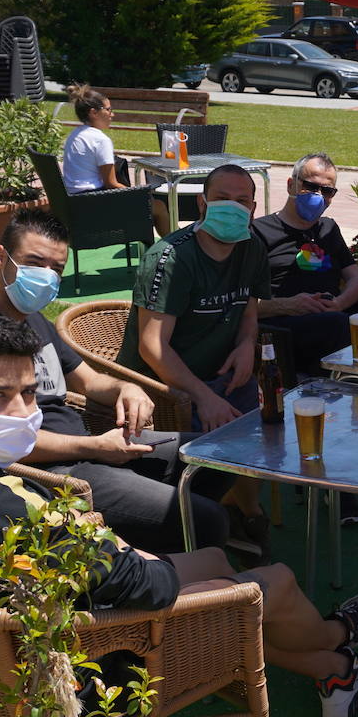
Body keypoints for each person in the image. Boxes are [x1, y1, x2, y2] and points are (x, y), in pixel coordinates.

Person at [0, 309, 358, 717]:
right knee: (270, 582)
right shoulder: (8, 509)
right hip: (89, 680)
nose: (21, 411)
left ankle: (333, 668)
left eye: (26, 392)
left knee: (214, 558)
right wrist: (114, 545)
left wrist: (102, 542)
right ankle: (337, 643)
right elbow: (149, 588)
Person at [0, 207, 235, 554]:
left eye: (56, 269)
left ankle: (154, 547)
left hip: (90, 449)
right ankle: (162, 564)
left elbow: (89, 380)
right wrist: (96, 448)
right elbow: (2, 441)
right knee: (209, 520)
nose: (46, 277)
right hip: (52, 473)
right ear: (0, 257)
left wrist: (126, 388)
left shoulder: (32, 318)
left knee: (220, 457)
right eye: (34, 262)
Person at [116, 164, 271, 552]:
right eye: (222, 199)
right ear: (202, 202)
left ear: (253, 208)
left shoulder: (252, 246)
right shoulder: (170, 257)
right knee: (222, 436)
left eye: (242, 201)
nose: (233, 208)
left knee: (258, 429)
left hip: (225, 372)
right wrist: (204, 396)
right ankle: (206, 522)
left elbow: (249, 308)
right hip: (168, 387)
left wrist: (245, 345)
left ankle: (244, 513)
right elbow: (153, 347)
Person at [253, 152, 358, 375]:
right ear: (291, 185)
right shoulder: (260, 232)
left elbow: (357, 280)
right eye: (311, 187)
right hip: (283, 325)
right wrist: (288, 305)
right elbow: (244, 301)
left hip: (331, 316)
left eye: (327, 191)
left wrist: (339, 303)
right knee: (337, 325)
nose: (319, 195)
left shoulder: (328, 229)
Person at [61, 84, 126, 194]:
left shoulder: (74, 134)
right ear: (94, 113)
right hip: (92, 199)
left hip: (71, 197)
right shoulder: (101, 140)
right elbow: (110, 184)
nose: (112, 114)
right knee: (158, 205)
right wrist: (138, 192)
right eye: (109, 110)